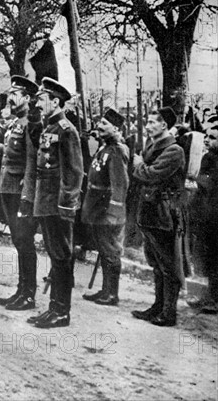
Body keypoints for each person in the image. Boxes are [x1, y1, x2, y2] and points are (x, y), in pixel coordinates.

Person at [22, 78, 84, 328]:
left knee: (61, 257)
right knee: (55, 255)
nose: (38, 103)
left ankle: (61, 311)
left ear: (55, 101)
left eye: (42, 99)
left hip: (57, 205)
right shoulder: (50, 128)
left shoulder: (66, 130)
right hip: (45, 202)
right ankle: (54, 308)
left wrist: (67, 205)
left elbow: (75, 172)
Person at [131, 107, 186, 326]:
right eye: (148, 122)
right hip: (150, 211)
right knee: (155, 262)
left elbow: (151, 175)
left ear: (164, 126)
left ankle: (168, 312)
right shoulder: (152, 145)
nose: (148, 126)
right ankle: (157, 306)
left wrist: (138, 165)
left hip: (164, 212)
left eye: (153, 122)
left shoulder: (174, 150)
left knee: (167, 264)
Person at [0, 75, 39, 311]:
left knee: (25, 241)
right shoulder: (15, 123)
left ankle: (29, 294)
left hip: (20, 191)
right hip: (8, 188)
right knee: (18, 241)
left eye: (15, 93)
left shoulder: (30, 124)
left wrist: (27, 196)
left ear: (27, 98)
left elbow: (32, 163)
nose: (10, 98)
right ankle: (21, 290)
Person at [81, 109, 129, 306]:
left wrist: (114, 211)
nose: (99, 126)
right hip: (97, 207)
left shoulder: (116, 150)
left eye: (104, 124)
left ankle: (112, 294)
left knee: (110, 250)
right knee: (103, 249)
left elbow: (120, 184)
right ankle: (105, 289)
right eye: (100, 122)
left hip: (107, 210)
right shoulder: (105, 148)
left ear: (116, 129)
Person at [187, 125, 218, 314]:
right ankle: (208, 296)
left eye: (213, 137)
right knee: (207, 260)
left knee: (215, 261)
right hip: (206, 217)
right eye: (207, 136)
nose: (207, 140)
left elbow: (209, 182)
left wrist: (195, 179)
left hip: (216, 218)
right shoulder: (208, 157)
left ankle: (213, 300)